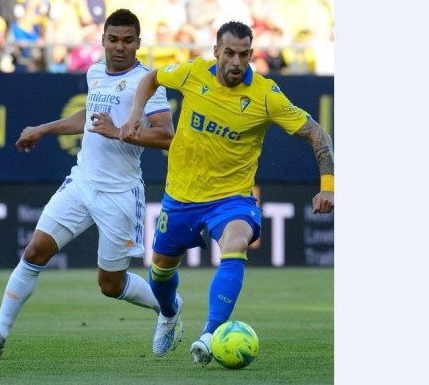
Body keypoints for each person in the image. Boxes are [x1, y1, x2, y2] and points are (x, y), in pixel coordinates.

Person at [0, 8, 178, 358]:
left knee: (110, 285)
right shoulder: (95, 71)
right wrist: (43, 129)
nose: (120, 47)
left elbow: (167, 135)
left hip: (120, 193)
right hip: (81, 183)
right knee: (34, 252)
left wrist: (119, 132)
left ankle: (169, 307)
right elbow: (88, 115)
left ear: (138, 43)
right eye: (113, 39)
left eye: (127, 41)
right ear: (103, 40)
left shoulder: (147, 82)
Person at [119, 20, 334, 365]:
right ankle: (169, 312)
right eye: (230, 53)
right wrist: (134, 115)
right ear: (216, 50)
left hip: (232, 198)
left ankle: (210, 335)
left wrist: (328, 187)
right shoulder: (192, 73)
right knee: (159, 272)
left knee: (235, 243)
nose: (236, 62)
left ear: (251, 54)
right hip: (181, 196)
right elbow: (151, 78)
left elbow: (316, 133)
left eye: (244, 54)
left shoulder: (265, 94)